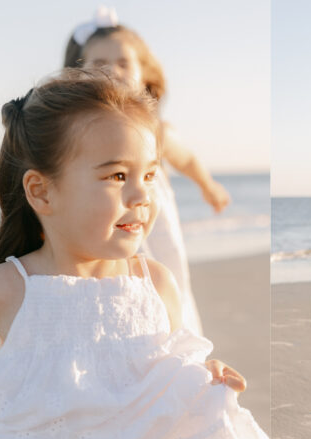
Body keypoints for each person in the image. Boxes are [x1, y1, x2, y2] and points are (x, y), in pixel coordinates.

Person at [0, 70, 268, 439]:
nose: (141, 195)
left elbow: (168, 373)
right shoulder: (11, 287)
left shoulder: (153, 283)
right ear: (42, 191)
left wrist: (203, 378)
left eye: (150, 176)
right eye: (116, 176)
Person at [65, 8, 231, 333]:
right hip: (107, 232)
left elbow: (187, 160)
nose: (112, 70)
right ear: (77, 74)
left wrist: (208, 186)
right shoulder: (76, 134)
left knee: (168, 289)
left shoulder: (156, 131)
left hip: (153, 230)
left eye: (124, 62)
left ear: (145, 75)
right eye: (99, 63)